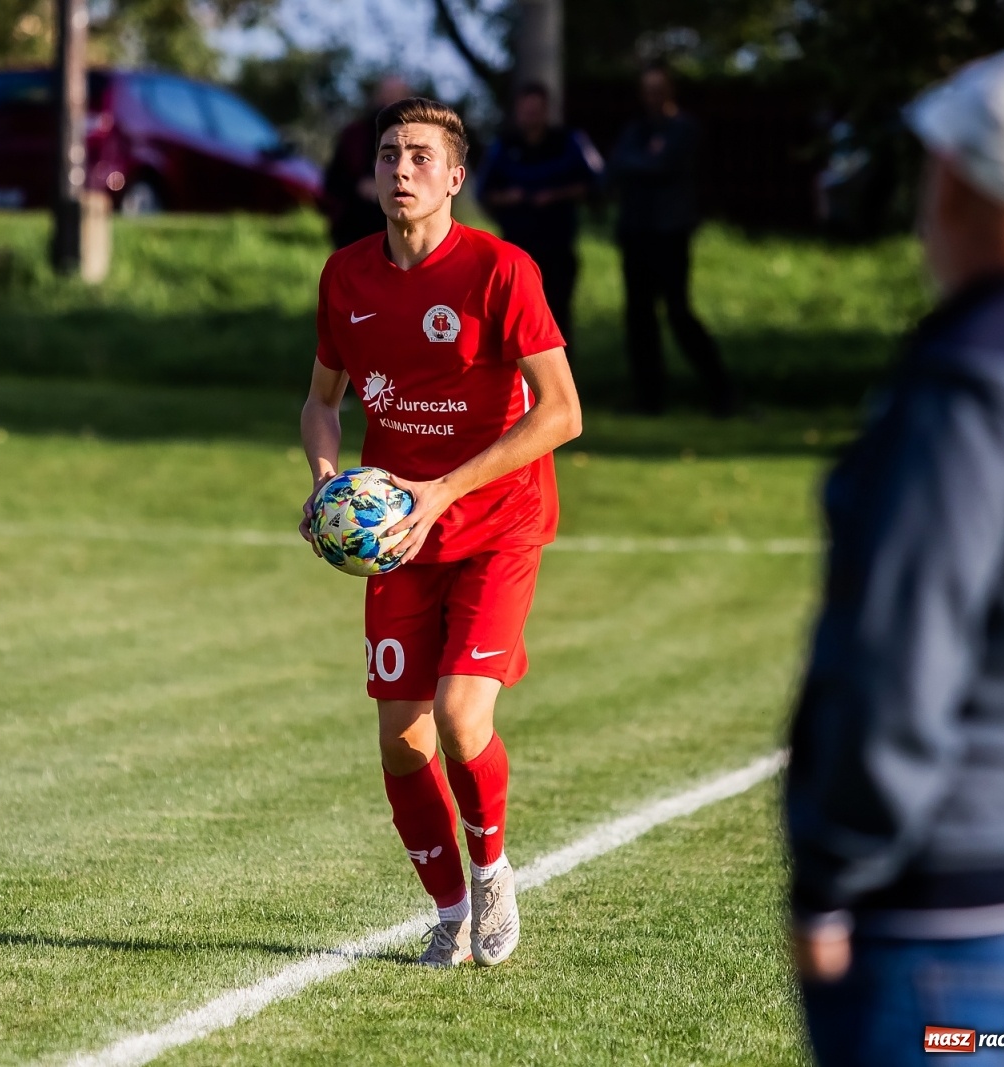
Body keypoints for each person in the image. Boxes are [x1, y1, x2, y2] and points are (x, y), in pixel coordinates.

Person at [786, 41, 1004, 1067]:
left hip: (964, 936)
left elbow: (895, 663)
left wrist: (827, 875)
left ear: (959, 182)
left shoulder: (968, 382)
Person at [300, 98, 582, 967]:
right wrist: (326, 486)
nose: (402, 168)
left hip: (498, 522)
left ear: (455, 177)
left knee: (463, 719)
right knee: (401, 737)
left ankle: (492, 868)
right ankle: (450, 910)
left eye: (422, 155)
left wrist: (442, 490)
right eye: (389, 154)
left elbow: (563, 413)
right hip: (399, 537)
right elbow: (321, 401)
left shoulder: (501, 270)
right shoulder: (345, 275)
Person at [609, 63, 734, 416]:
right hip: (635, 233)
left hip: (670, 233)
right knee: (639, 316)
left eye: (658, 89)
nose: (652, 96)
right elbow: (615, 167)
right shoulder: (636, 129)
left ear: (670, 91)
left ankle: (721, 393)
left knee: (679, 313)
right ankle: (649, 399)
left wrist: (639, 164)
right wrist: (642, 163)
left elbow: (660, 165)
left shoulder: (684, 129)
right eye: (646, 89)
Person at [477, 82, 603, 340]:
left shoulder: (570, 141)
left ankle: (561, 378)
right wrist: (509, 199)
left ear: (546, 111)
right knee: (515, 320)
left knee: (557, 320)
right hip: (516, 250)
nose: (531, 117)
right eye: (526, 111)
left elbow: (597, 183)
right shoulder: (502, 146)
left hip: (558, 246)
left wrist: (556, 195)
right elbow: (483, 192)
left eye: (536, 111)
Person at [321, 75, 412, 250]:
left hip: (397, 230)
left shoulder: (417, 141)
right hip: (353, 226)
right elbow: (333, 180)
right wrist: (359, 186)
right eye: (387, 94)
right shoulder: (355, 135)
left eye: (397, 95)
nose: (390, 101)